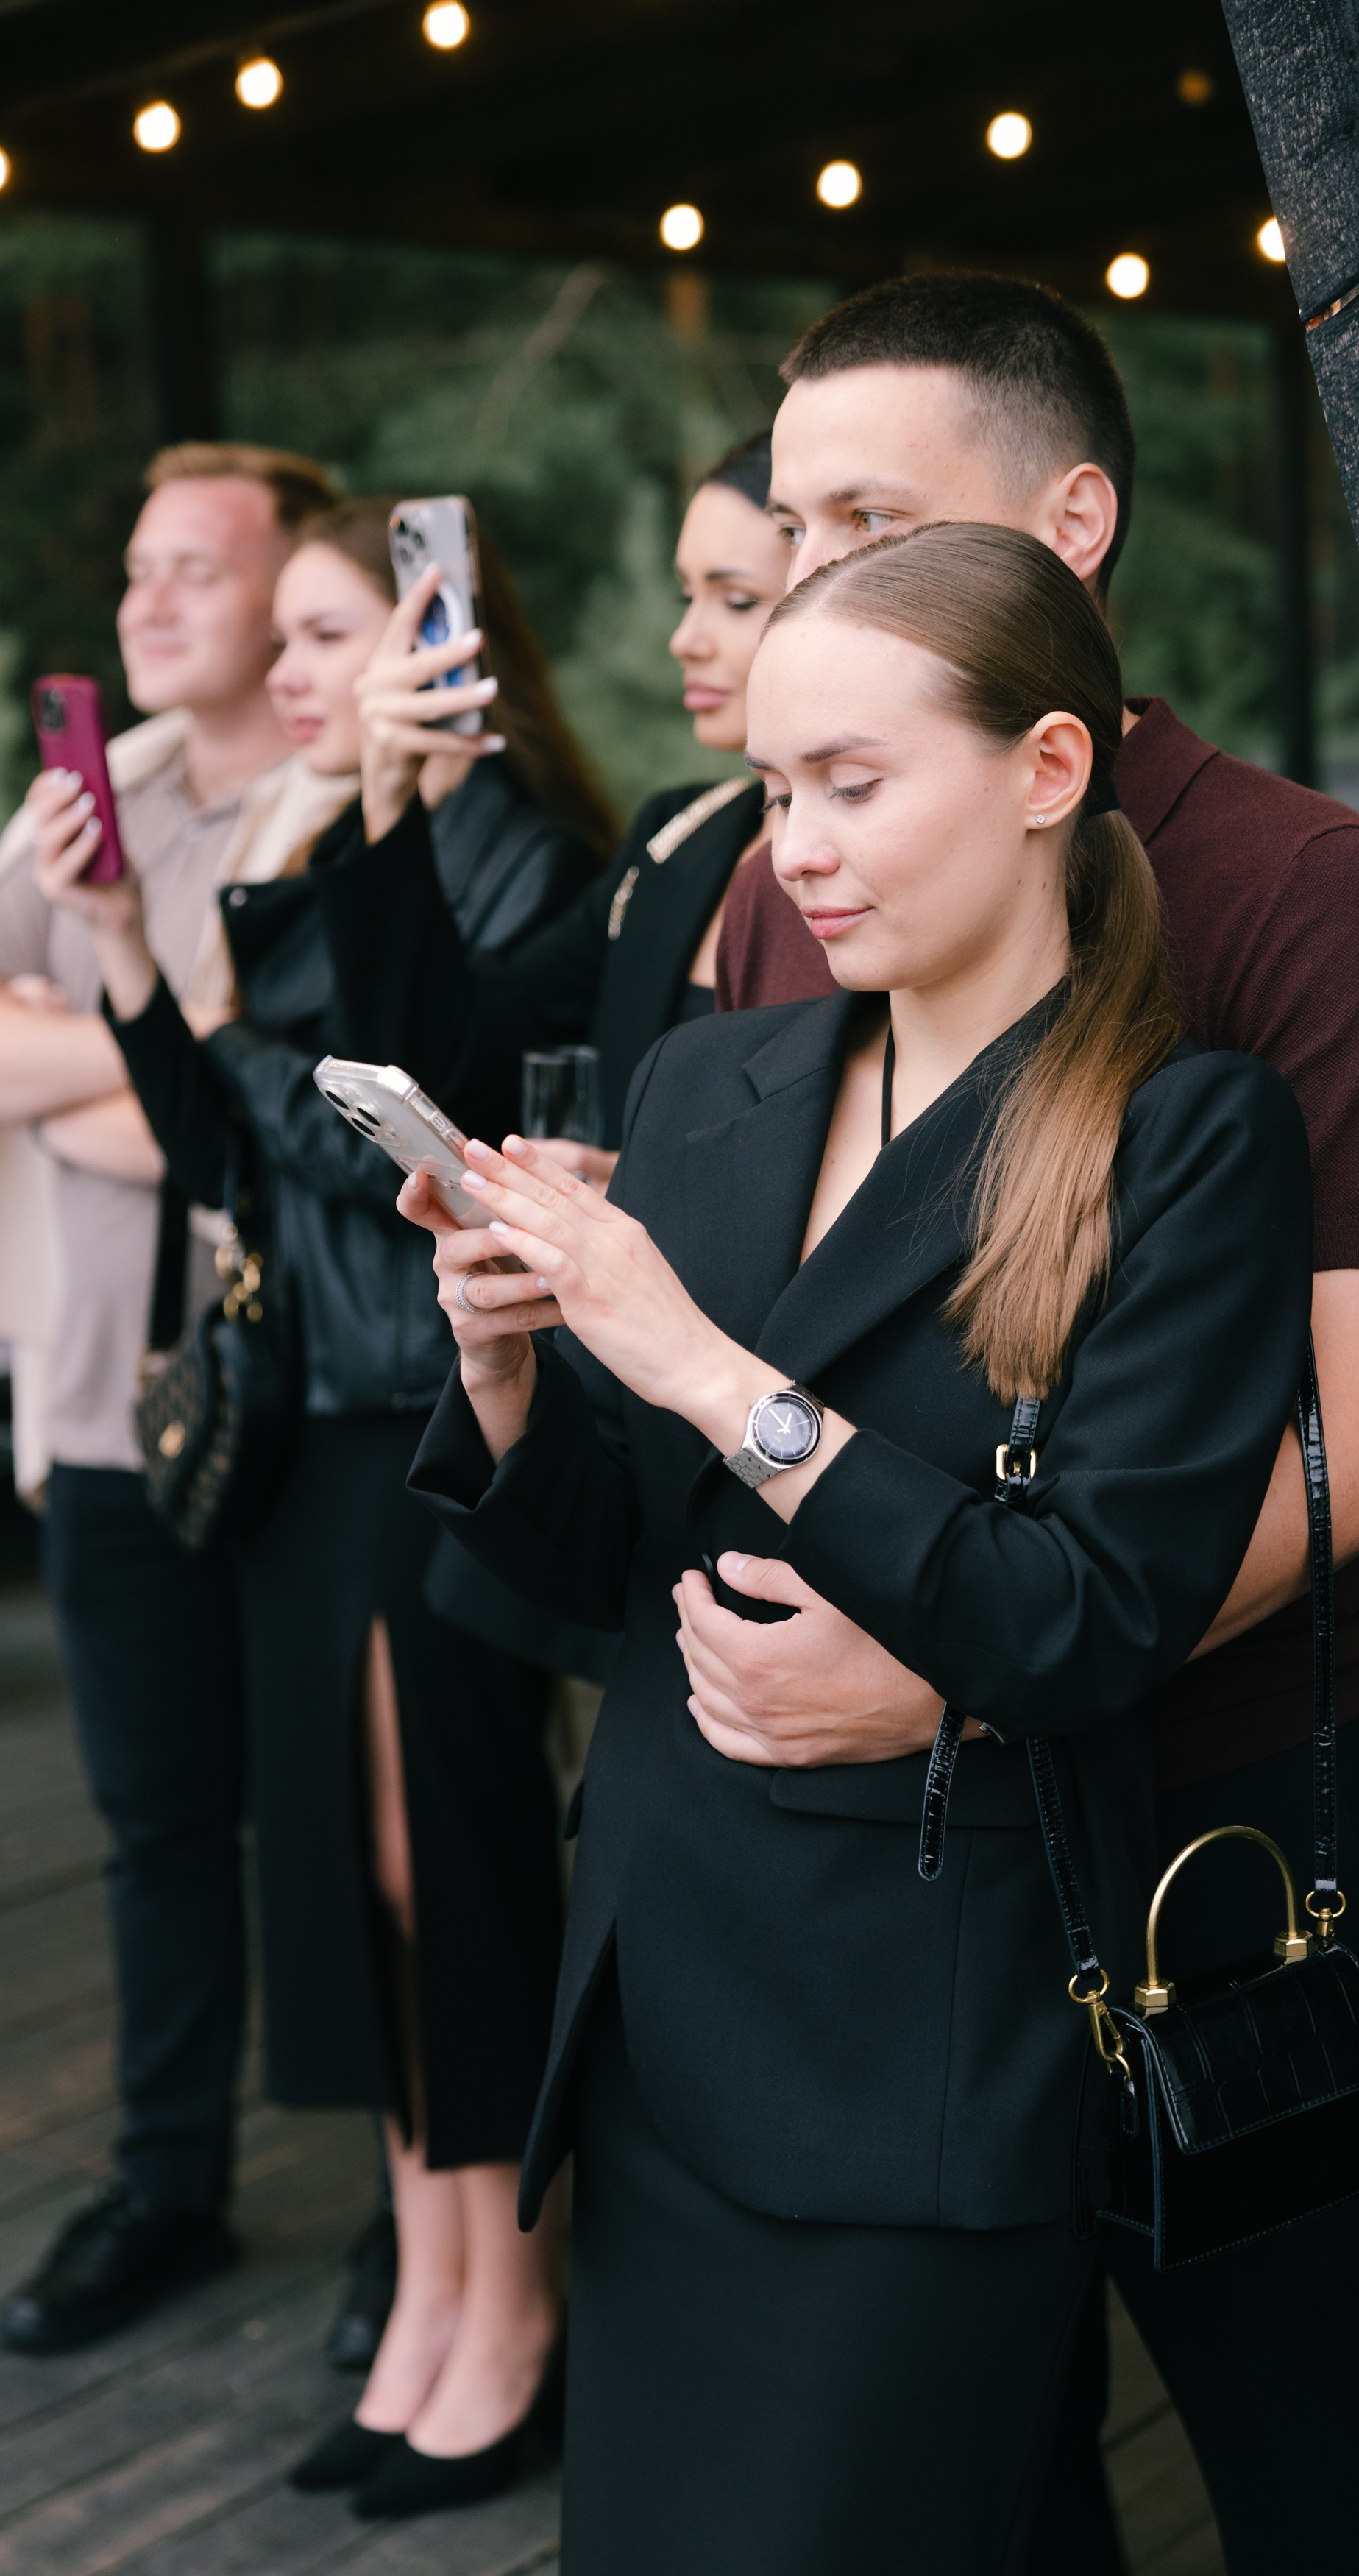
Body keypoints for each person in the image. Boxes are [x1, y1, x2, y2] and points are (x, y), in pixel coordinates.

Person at [402, 521, 1314, 2575]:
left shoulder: (1183, 1136)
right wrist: (510, 1381)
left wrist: (714, 1370)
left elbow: (1081, 1621)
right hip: (657, 2009)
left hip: (919, 2040)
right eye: (780, 786)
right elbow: (612, 1579)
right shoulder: (714, 1075)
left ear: (1046, 770)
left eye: (853, 782)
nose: (794, 844)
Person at [700, 273, 1359, 2571]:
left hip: (1197, 1837)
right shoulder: (776, 878)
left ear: (1075, 518)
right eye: (788, 511)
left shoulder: (1298, 884)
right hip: (872, 1887)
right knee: (970, 2491)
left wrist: (952, 1655)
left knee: (1312, 2455)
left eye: (868, 513)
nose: (806, 564)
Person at [29, 495, 607, 2518]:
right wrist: (118, 944)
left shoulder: (527, 845)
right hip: (309, 1430)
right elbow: (226, 1145)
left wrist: (311, 939)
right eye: (279, 635)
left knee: (446, 1864)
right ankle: (439, 2287)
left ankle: (511, 2311)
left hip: (425, 1411)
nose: (288, 670)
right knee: (363, 1889)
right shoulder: (316, 835)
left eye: (327, 628)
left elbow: (413, 1131)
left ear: (439, 636)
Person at [0, 441, 348, 2357]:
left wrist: (158, 1086)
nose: (146, 603)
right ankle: (165, 2182)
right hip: (97, 1392)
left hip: (298, 1397)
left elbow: (276, 1125)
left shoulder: (328, 811)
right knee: (149, 1821)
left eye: (194, 573)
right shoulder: (78, 801)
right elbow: (203, 1106)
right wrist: (163, 1080)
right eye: (138, 570)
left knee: (326, 1799)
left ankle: (418, 2200)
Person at [311, 430, 790, 1167]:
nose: (684, 638)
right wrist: (388, 795)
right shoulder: (678, 835)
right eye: (685, 595)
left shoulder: (870, 861)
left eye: (735, 599)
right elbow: (451, 1062)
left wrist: (628, 1192)